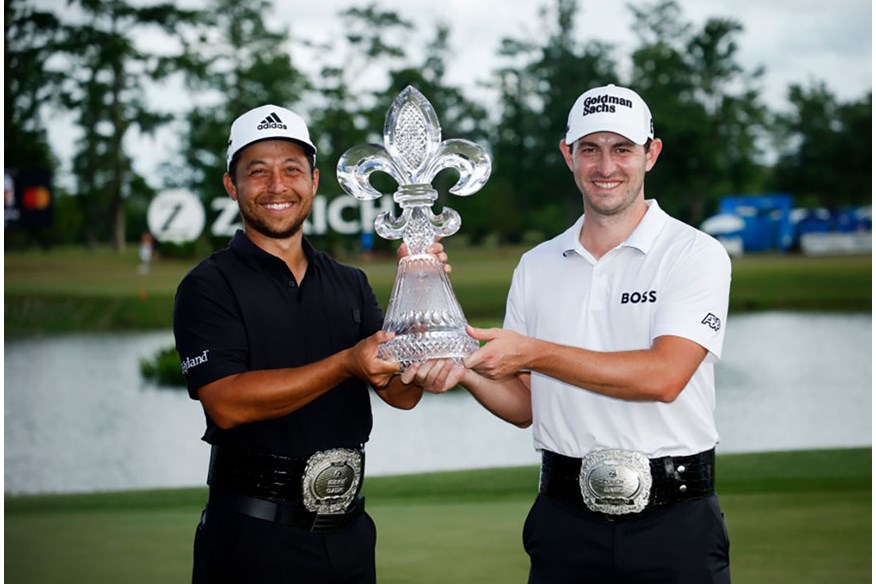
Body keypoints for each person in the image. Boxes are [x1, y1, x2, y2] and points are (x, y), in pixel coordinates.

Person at [409, 84, 732, 583]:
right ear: (568, 155)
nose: (606, 167)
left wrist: (534, 351)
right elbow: (526, 405)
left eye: (622, 149)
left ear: (651, 153)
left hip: (675, 523)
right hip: (564, 522)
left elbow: (663, 377)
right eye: (590, 149)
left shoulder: (694, 253)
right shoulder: (536, 265)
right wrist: (466, 369)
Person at [173, 104, 436, 583]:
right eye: (258, 172)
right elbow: (227, 403)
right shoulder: (209, 285)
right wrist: (345, 365)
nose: (277, 186)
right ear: (232, 186)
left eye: (291, 170)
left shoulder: (349, 282)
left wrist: (419, 313)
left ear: (313, 181)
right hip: (251, 540)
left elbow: (402, 394)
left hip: (349, 535)